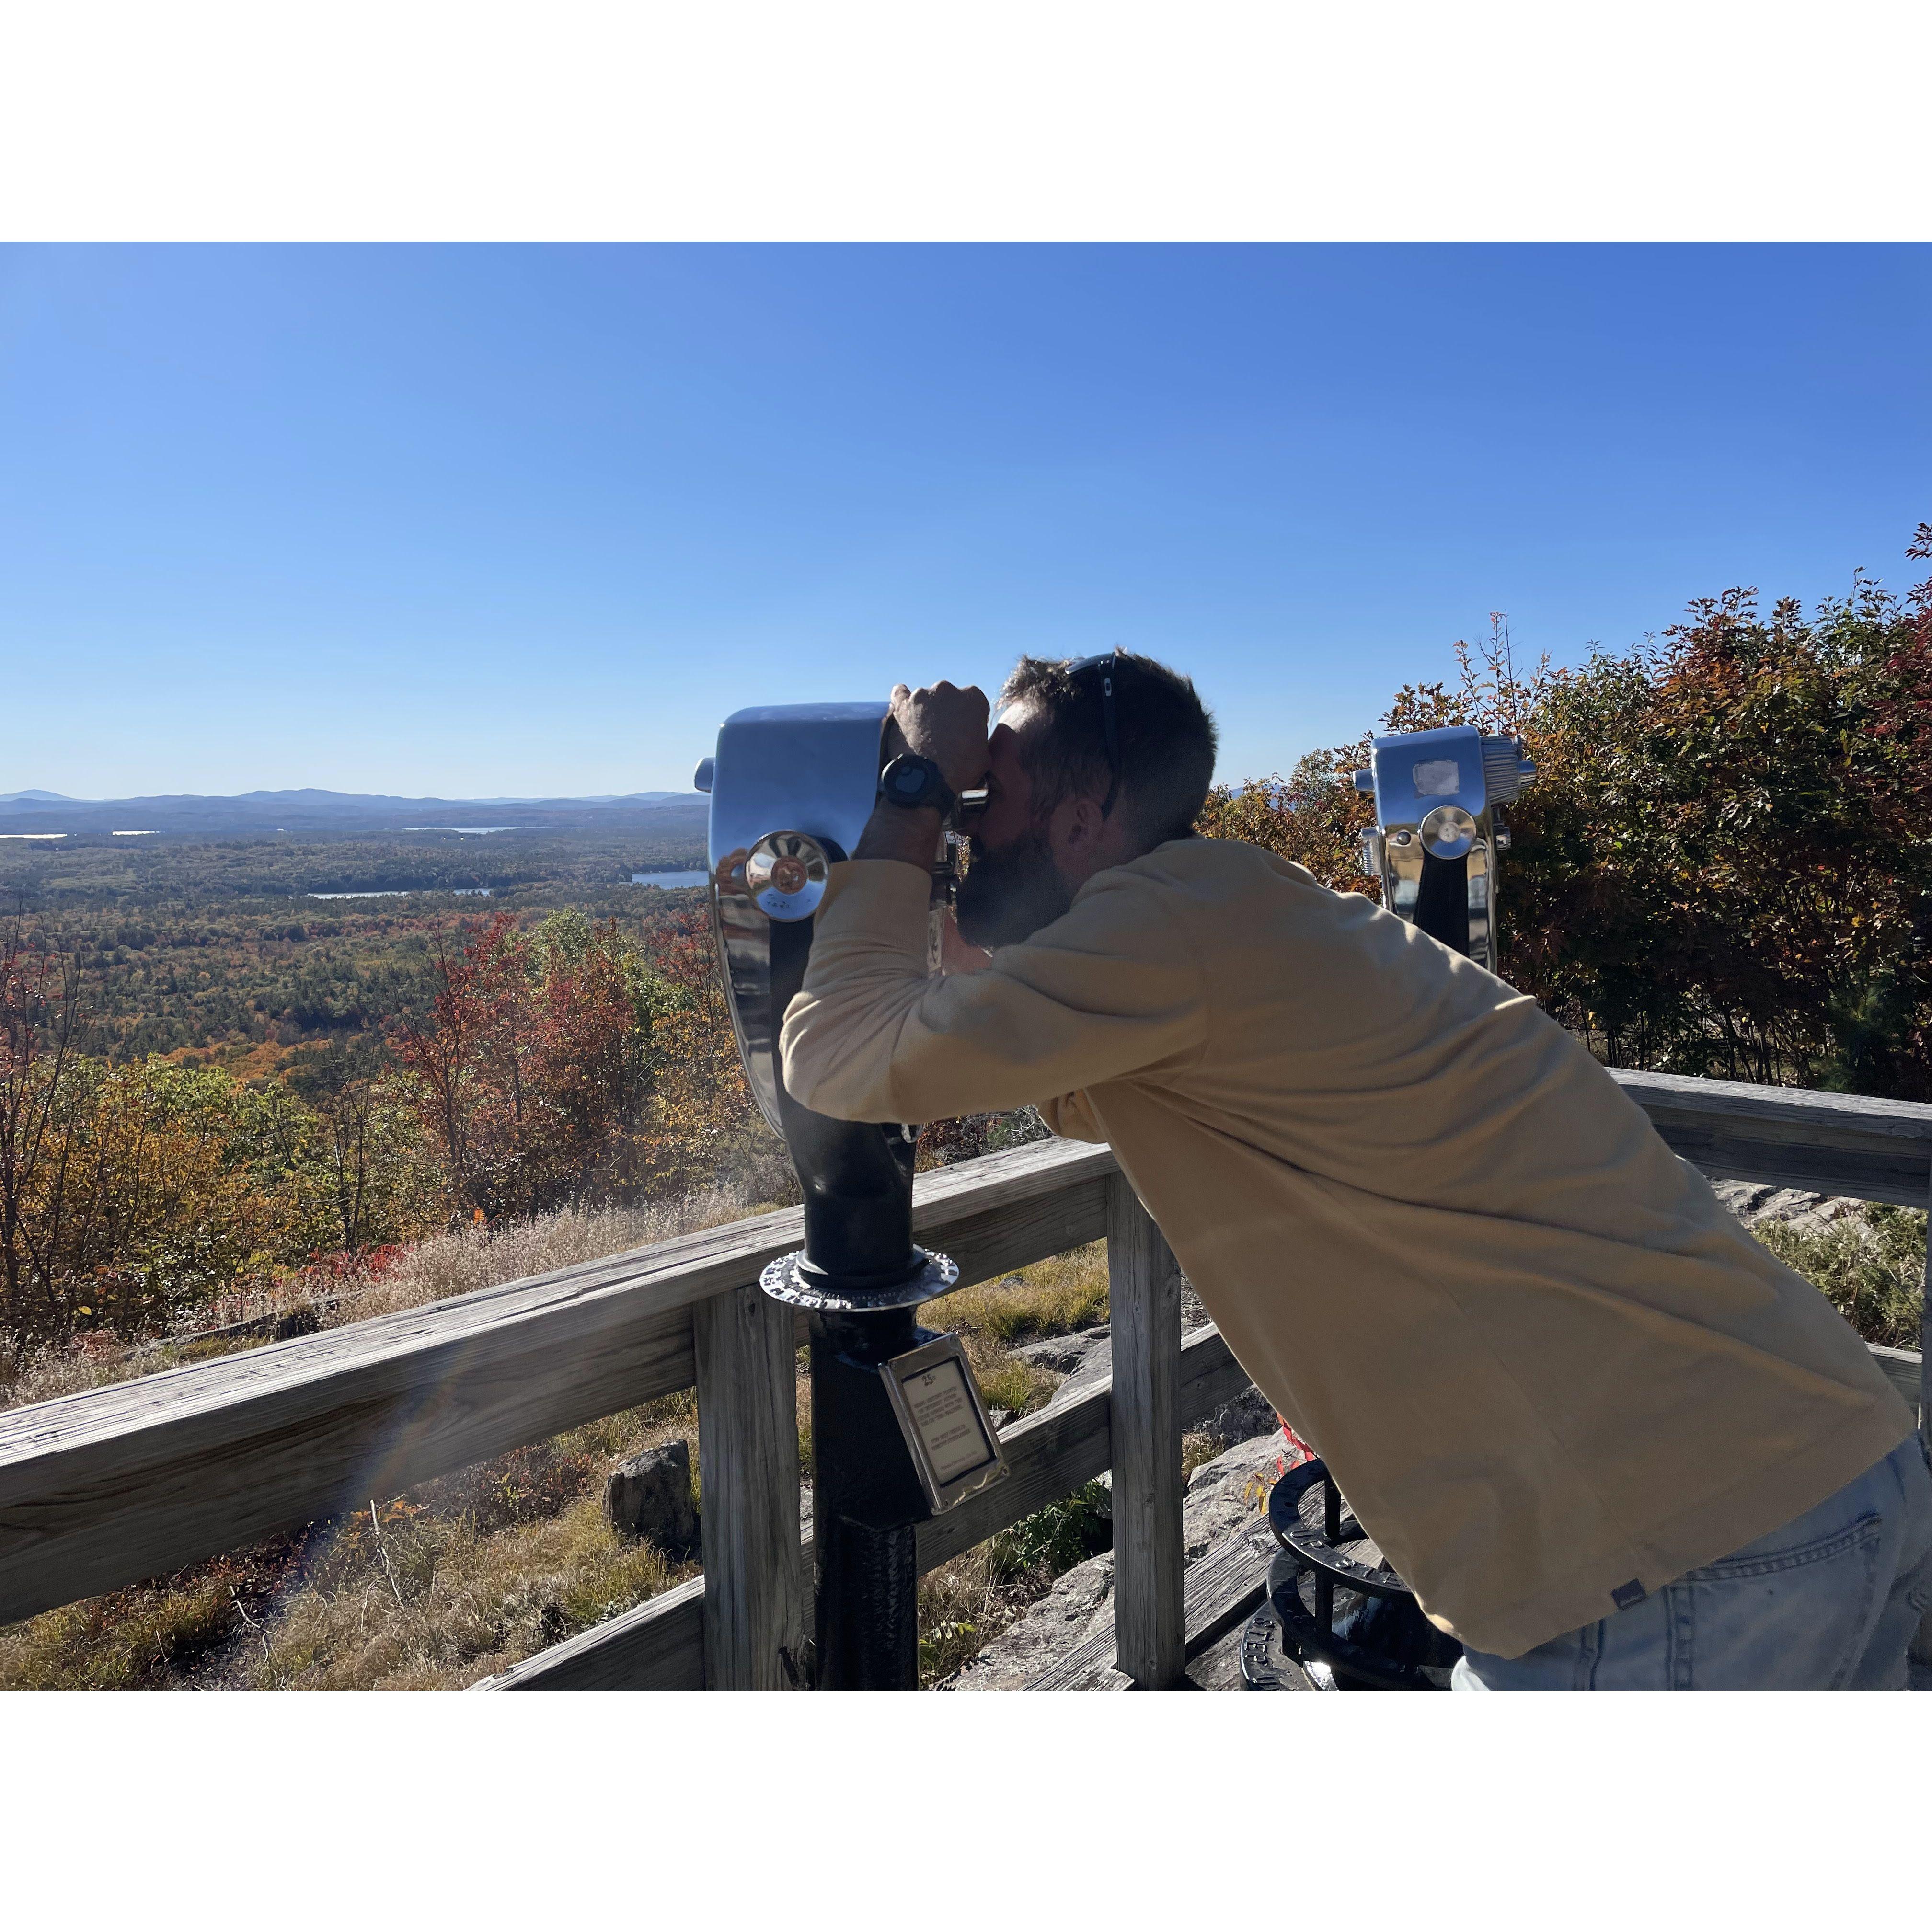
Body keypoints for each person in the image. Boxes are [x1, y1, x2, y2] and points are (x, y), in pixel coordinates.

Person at [778, 653, 1932, 1689]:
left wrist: (911, 796)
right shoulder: (1233, 911)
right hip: (1810, 1464)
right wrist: (950, 862)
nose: (969, 831)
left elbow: (838, 1059)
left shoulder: (1163, 935)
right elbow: (1027, 1052)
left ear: (1081, 822)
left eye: (989, 805)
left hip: (1676, 1552)